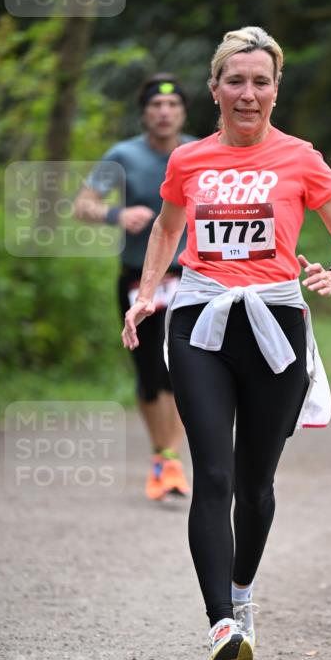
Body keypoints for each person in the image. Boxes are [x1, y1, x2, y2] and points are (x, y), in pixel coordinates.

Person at [122, 26, 331, 660]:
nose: (247, 92)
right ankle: (221, 628)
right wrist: (146, 297)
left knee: (255, 488)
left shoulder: (301, 160)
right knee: (215, 477)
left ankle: (240, 594)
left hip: (275, 325)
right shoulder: (190, 160)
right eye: (235, 80)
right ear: (214, 90)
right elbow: (167, 230)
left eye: (260, 81)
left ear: (275, 89)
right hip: (199, 322)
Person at [75, 74, 195, 499]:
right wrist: (116, 217)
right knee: (148, 370)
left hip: (192, 280)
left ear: (183, 112)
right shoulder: (123, 154)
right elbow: (83, 204)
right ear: (145, 113)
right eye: (155, 107)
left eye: (173, 106)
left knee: (183, 370)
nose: (164, 113)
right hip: (137, 279)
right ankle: (163, 456)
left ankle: (171, 458)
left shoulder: (199, 152)